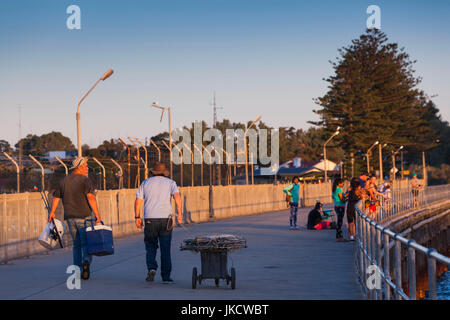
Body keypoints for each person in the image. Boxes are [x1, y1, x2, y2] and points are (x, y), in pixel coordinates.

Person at [48, 157, 102, 280]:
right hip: (85, 218)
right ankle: (86, 262)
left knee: (76, 245)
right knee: (87, 244)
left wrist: (52, 212)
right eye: (86, 166)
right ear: (80, 167)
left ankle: (77, 271)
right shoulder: (85, 180)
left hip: (70, 218)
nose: (87, 168)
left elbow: (56, 197)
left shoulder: (64, 181)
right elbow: (91, 197)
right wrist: (97, 214)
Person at [135, 162, 182, 284]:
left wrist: (137, 217)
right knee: (165, 248)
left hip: (150, 219)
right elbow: (177, 198)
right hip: (166, 219)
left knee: (150, 246)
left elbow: (138, 201)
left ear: (153, 171)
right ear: (164, 172)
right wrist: (180, 214)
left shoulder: (145, 183)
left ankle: (151, 268)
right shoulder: (171, 183)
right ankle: (166, 277)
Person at [332, 178, 347, 242]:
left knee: (339, 222)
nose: (343, 184)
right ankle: (339, 237)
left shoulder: (335, 190)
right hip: (340, 206)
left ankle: (339, 237)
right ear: (339, 183)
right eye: (342, 183)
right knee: (340, 222)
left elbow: (334, 197)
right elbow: (342, 200)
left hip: (337, 206)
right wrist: (348, 197)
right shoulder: (338, 190)